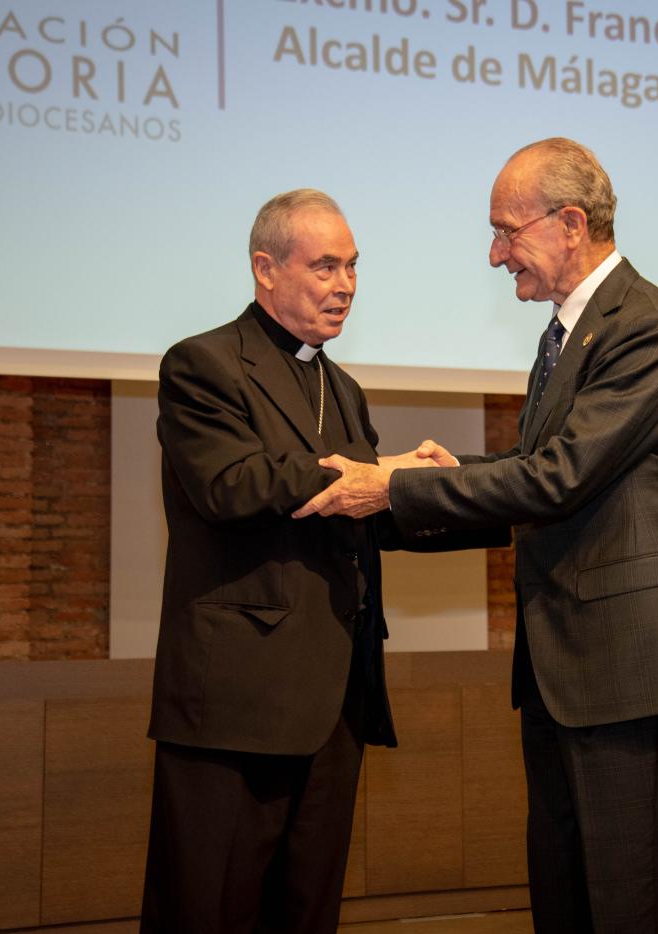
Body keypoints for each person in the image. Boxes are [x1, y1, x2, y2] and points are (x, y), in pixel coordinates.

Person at [296, 138, 658, 932]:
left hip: (632, 666)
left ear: (571, 223)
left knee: (627, 901)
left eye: (508, 230)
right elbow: (546, 473)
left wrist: (398, 485)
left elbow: (560, 478)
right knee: (566, 896)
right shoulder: (565, 335)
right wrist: (446, 472)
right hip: (570, 666)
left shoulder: (647, 325)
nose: (495, 254)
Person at [142, 189, 486, 933]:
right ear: (265, 268)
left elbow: (366, 517)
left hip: (334, 700)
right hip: (238, 699)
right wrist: (371, 477)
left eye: (354, 266)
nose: (346, 285)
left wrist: (461, 494)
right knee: (210, 910)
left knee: (306, 914)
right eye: (325, 266)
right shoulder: (203, 365)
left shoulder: (343, 387)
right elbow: (231, 486)